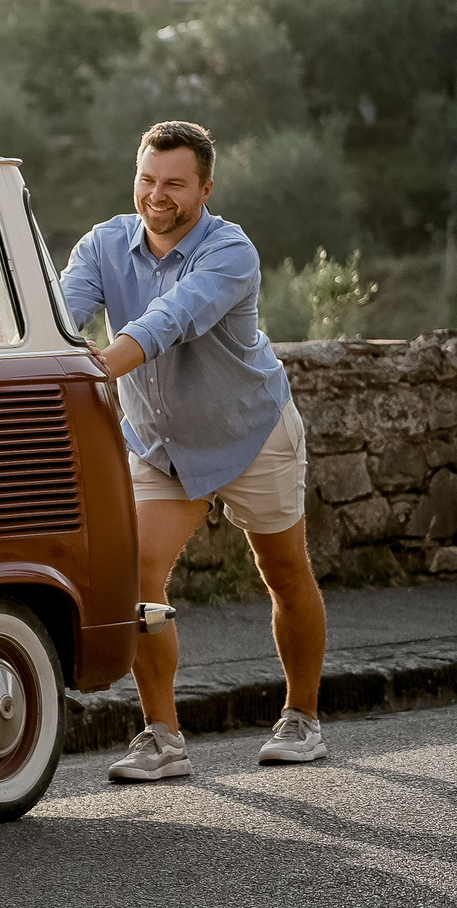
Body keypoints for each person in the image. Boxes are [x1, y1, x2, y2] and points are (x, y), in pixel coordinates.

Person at [60, 120, 328, 782]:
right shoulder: (103, 245)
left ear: (205, 189)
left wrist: (96, 368)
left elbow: (170, 318)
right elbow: (60, 318)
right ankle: (163, 737)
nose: (157, 195)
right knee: (137, 576)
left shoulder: (230, 250)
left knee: (284, 570)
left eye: (175, 183)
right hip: (163, 446)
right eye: (147, 179)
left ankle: (302, 717)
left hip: (251, 432)